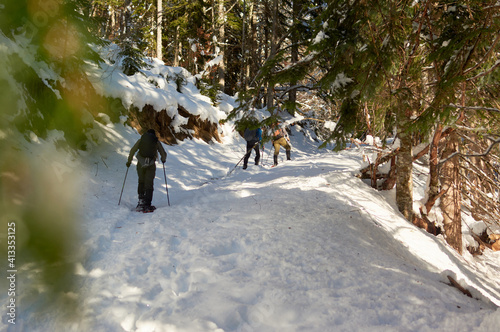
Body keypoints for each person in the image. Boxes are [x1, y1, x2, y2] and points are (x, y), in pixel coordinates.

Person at [126, 129, 167, 212]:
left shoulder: (141, 140)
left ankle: (141, 202)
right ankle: (147, 204)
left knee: (141, 181)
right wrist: (163, 159)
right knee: (149, 183)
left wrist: (129, 161)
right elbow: (163, 153)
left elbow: (133, 150)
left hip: (140, 163)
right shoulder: (155, 141)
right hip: (151, 164)